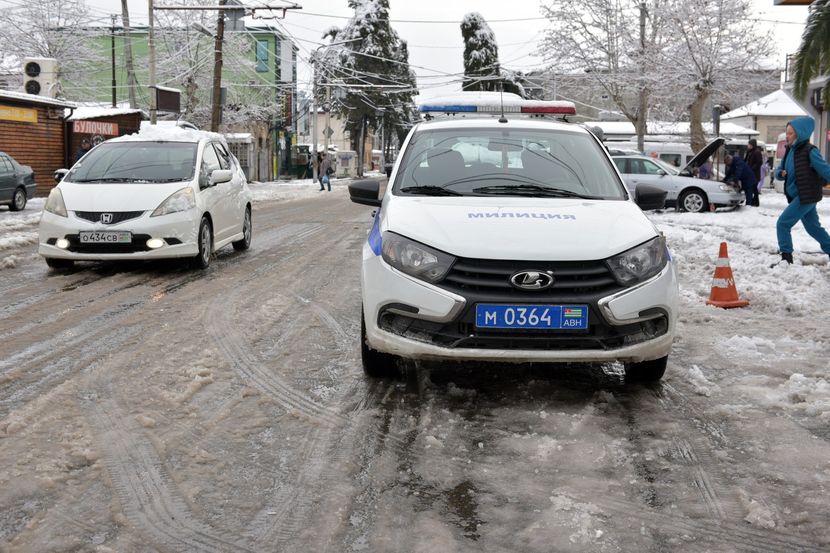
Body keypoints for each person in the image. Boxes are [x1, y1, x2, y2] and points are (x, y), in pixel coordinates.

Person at [773, 116, 830, 265]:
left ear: (800, 133)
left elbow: (825, 169)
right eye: (787, 132)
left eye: (791, 133)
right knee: (813, 228)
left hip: (806, 196)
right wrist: (780, 173)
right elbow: (779, 170)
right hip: (799, 196)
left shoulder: (810, 151)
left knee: (783, 224)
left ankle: (786, 258)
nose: (787, 136)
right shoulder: (789, 150)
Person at [744, 138, 763, 206]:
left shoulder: (757, 152)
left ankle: (755, 202)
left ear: (752, 145)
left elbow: (759, 163)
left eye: (749, 144)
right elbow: (746, 160)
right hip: (750, 174)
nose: (748, 146)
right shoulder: (749, 152)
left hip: (754, 174)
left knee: (753, 189)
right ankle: (754, 202)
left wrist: (751, 169)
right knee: (753, 189)